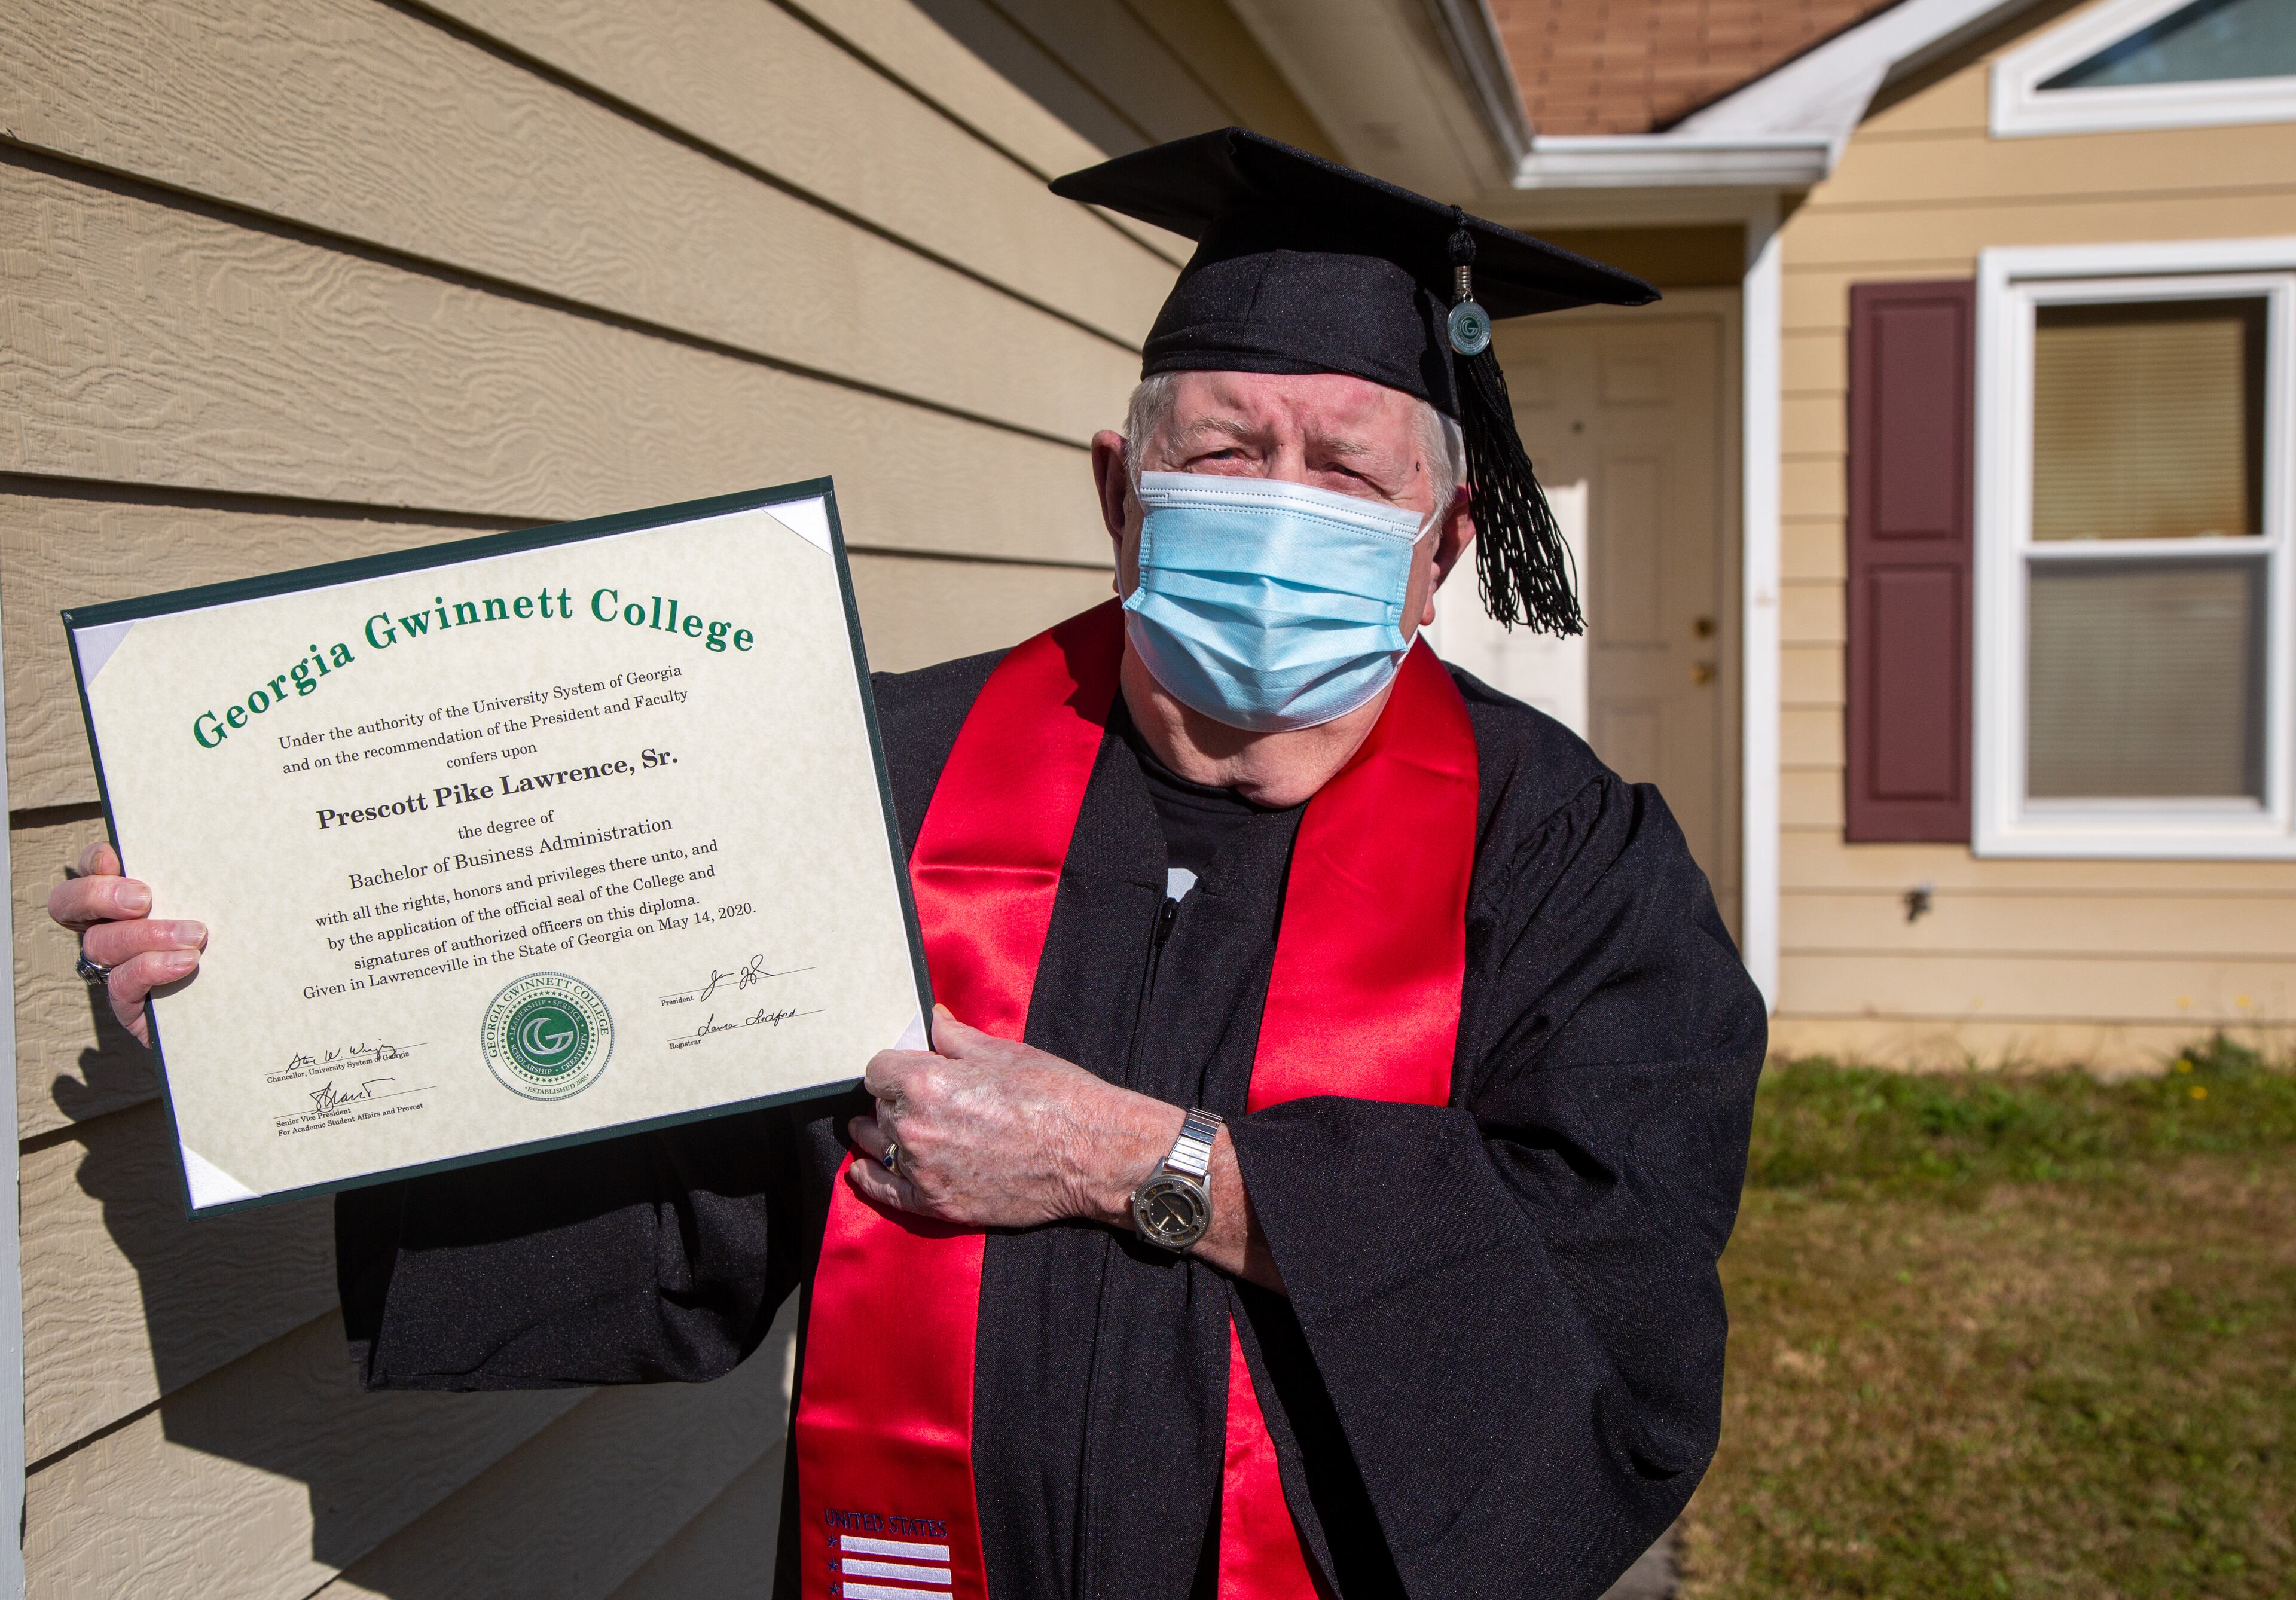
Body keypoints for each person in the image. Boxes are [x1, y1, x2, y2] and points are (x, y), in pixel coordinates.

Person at [54, 129, 1765, 1600]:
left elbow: (1597, 1294)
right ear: (1124, 489)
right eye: (1230, 450)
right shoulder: (887, 770)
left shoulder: (1567, 862)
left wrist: (1135, 1161)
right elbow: (675, 1177)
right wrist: (282, 975)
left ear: (1444, 542)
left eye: (1344, 470)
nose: (1281, 502)